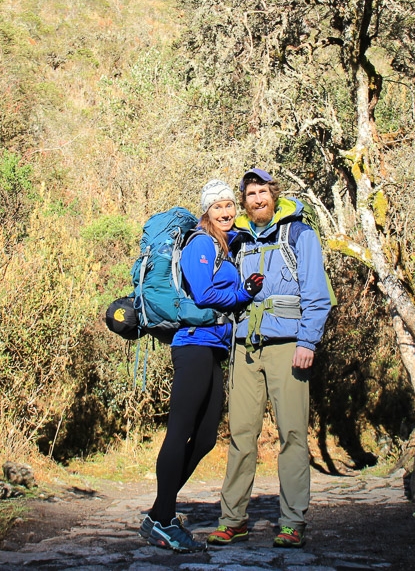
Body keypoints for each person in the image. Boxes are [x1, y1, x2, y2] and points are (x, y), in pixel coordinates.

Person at [208, 168, 332, 549]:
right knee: (241, 435)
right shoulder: (238, 239)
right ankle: (233, 520)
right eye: (250, 194)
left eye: (263, 192)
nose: (258, 199)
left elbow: (317, 294)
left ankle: (292, 521)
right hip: (245, 346)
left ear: (274, 195)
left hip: (288, 345)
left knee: (293, 434)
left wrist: (308, 342)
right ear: (243, 201)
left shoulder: (298, 233)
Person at [138, 179, 264, 553]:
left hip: (212, 347)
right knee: (180, 430)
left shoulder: (223, 244)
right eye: (218, 206)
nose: (226, 212)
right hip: (192, 344)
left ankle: (160, 512)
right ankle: (162, 518)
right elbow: (205, 291)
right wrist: (245, 293)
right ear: (206, 211)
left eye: (230, 206)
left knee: (207, 436)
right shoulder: (200, 243)